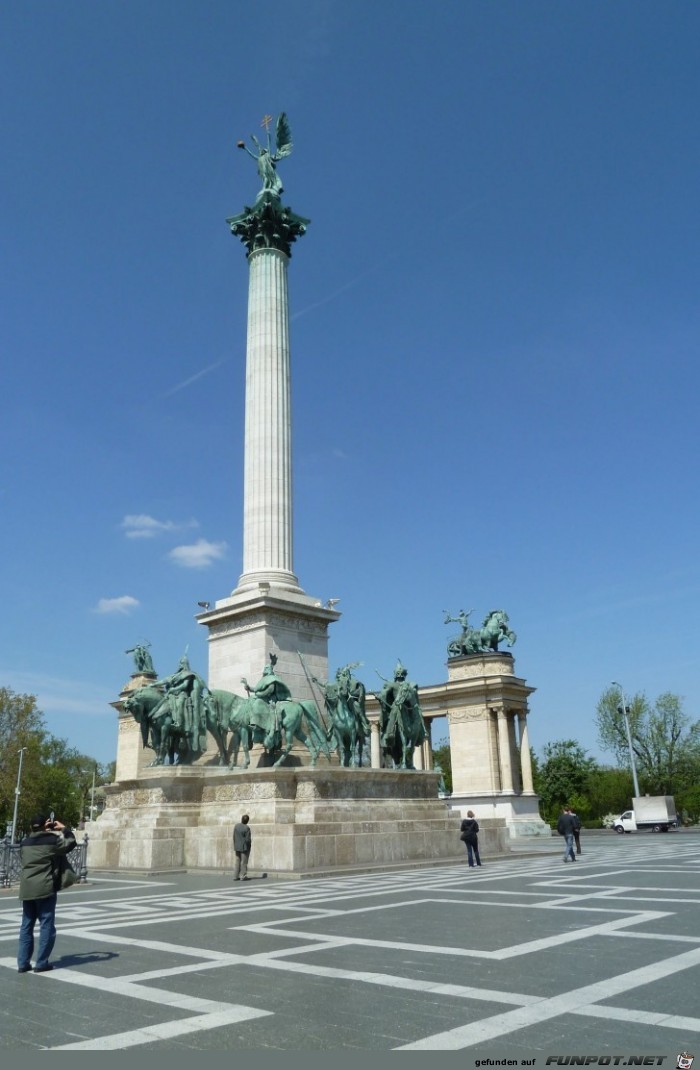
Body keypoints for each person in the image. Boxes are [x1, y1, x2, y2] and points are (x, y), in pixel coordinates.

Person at [17, 814, 76, 973]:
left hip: (27, 888)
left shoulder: (24, 843)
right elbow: (70, 843)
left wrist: (46, 829)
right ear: (46, 825)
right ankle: (41, 962)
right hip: (45, 888)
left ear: (31, 827)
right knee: (46, 926)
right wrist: (63, 829)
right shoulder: (51, 841)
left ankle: (23, 963)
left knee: (26, 926)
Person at [232, 814, 251, 881]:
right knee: (244, 862)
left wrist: (235, 844)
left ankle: (235, 876)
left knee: (237, 861)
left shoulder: (236, 826)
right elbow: (248, 839)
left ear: (241, 819)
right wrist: (249, 846)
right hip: (244, 847)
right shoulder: (247, 828)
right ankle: (243, 876)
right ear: (247, 821)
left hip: (237, 846)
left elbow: (234, 836)